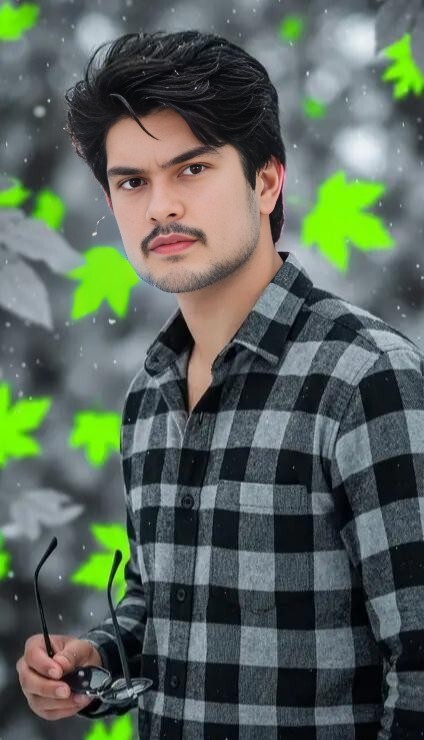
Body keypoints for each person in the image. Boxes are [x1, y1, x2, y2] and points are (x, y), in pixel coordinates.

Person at [16, 29, 424, 739]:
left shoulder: (365, 378)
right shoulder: (149, 396)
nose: (160, 207)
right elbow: (169, 608)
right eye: (133, 182)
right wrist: (98, 657)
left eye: (192, 169)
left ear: (266, 181)